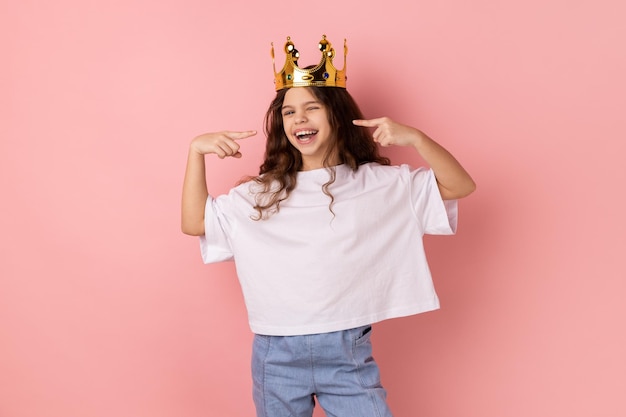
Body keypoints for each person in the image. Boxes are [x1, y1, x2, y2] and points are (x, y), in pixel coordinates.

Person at [181, 35, 475, 417]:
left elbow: (460, 185)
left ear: (336, 114)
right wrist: (196, 152)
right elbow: (194, 223)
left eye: (312, 107)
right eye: (288, 112)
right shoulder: (260, 193)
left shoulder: (380, 185)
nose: (299, 119)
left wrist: (416, 139)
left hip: (347, 350)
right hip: (276, 353)